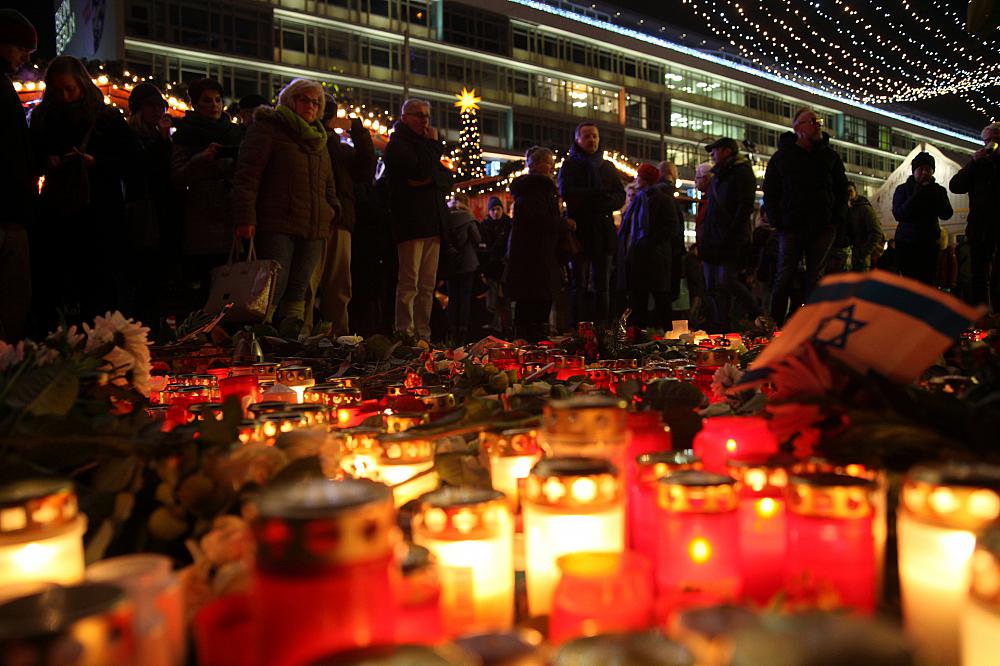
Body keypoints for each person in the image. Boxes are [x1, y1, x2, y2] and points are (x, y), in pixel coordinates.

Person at [30, 55, 136, 330]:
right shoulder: (43, 118)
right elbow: (31, 155)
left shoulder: (105, 118)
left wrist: (95, 162)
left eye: (69, 89)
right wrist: (48, 159)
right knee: (63, 285)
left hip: (99, 214)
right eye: (58, 90)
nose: (64, 96)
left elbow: (132, 161)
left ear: (82, 85)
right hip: (60, 213)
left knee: (99, 287)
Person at [231, 78, 340, 324]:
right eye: (304, 100)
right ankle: (261, 336)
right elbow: (248, 175)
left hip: (313, 226)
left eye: (316, 102)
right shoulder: (269, 128)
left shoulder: (319, 139)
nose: (311, 106)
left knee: (299, 287)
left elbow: (328, 183)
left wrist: (332, 210)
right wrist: (245, 216)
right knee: (271, 287)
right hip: (277, 223)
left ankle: (289, 339)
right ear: (290, 101)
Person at [763, 108, 848, 324]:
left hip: (822, 226)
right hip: (792, 225)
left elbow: (841, 189)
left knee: (816, 278)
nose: (818, 124)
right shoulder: (782, 158)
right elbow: (771, 191)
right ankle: (776, 324)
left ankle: (811, 325)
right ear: (798, 127)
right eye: (812, 121)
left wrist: (834, 220)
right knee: (785, 275)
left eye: (818, 120)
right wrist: (778, 220)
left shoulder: (830, 157)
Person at [383, 98, 452, 341]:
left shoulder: (423, 147)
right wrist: (433, 151)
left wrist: (429, 177)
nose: (424, 120)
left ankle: (423, 334)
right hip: (411, 222)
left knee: (427, 285)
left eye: (427, 116)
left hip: (432, 223)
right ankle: (405, 332)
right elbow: (421, 171)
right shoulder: (398, 146)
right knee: (409, 283)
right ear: (404, 117)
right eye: (418, 115)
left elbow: (444, 178)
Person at [171, 77, 244, 306]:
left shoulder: (235, 133)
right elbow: (177, 175)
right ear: (195, 104)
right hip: (200, 217)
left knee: (231, 285)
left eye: (217, 100)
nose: (214, 105)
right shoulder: (186, 133)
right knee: (203, 285)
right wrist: (201, 159)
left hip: (230, 216)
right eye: (207, 101)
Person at [313, 95, 376, 336]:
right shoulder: (310, 142)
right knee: (308, 285)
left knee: (338, 286)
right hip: (312, 220)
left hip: (340, 221)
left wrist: (358, 132)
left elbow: (365, 169)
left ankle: (339, 337)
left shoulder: (341, 151)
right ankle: (305, 335)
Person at [558, 122, 626, 323]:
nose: (592, 140)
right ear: (578, 139)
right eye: (587, 136)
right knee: (578, 284)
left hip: (602, 232)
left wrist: (602, 202)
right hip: (580, 231)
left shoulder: (607, 166)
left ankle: (602, 328)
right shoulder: (570, 165)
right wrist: (599, 196)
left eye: (594, 136)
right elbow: (569, 194)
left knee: (602, 285)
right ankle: (579, 327)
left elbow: (619, 195)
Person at [124, 83, 178, 334]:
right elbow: (143, 170)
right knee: (141, 278)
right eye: (152, 106)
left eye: (161, 106)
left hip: (159, 214)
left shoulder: (158, 137)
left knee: (156, 281)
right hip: (139, 214)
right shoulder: (130, 136)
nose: (158, 111)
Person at [506, 146, 575, 342]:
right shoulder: (534, 190)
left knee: (533, 303)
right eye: (548, 162)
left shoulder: (537, 190)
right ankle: (531, 343)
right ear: (535, 165)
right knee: (534, 304)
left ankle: (530, 340)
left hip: (539, 257)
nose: (552, 167)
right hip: (535, 258)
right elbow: (539, 220)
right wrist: (564, 224)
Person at [698, 138, 760, 332]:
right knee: (713, 286)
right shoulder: (719, 174)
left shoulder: (742, 172)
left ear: (726, 151)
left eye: (714, 151)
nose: (712, 155)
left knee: (726, 281)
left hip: (729, 238)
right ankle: (721, 327)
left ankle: (757, 314)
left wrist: (732, 230)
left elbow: (744, 205)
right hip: (713, 238)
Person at [0, 9, 36, 341]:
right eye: (21, 47)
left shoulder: (4, 86)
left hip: (12, 212)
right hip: (6, 215)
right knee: (11, 306)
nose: (24, 56)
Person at [617, 163, 682, 330]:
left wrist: (647, 242)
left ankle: (664, 333)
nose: (637, 179)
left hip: (655, 258)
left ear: (646, 179)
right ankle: (639, 333)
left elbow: (671, 227)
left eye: (640, 176)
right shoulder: (639, 200)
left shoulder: (661, 200)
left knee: (660, 299)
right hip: (639, 257)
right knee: (639, 299)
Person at [950, 122, 1000, 309]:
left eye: (996, 139)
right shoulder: (978, 165)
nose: (991, 144)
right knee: (978, 273)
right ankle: (981, 315)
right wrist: (973, 163)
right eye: (988, 140)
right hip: (980, 229)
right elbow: (955, 186)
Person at [892, 151, 952, 286]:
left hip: (929, 244)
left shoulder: (938, 190)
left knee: (928, 283)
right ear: (914, 171)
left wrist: (935, 195)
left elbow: (947, 213)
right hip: (906, 244)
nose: (924, 173)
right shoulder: (903, 190)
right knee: (909, 284)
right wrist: (915, 195)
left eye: (928, 169)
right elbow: (898, 214)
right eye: (920, 169)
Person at [442, 193, 481, 342]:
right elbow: (477, 239)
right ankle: (463, 330)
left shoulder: (446, 217)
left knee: (453, 297)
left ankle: (451, 329)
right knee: (465, 298)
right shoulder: (468, 217)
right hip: (467, 263)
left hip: (451, 264)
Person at [479, 196, 512, 334]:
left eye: (498, 209)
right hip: (492, 268)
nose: (495, 212)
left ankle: (508, 326)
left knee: (506, 299)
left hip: (505, 267)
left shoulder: (508, 224)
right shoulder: (485, 225)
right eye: (493, 210)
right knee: (492, 300)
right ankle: (496, 326)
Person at [847, 182, 884, 271]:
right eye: (846, 192)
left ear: (856, 192)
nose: (848, 195)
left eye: (850, 191)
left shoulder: (864, 209)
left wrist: (863, 252)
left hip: (861, 259)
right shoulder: (845, 209)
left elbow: (877, 232)